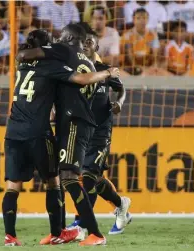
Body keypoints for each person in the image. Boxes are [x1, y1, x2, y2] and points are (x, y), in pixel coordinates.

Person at [5, 29, 119, 246]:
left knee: (66, 177)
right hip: (66, 123)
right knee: (58, 178)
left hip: (73, 121)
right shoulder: (67, 60)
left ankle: (93, 233)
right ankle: (59, 231)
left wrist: (107, 74)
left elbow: (80, 79)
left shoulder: (55, 58)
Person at [66, 23, 132, 235]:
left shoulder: (105, 70)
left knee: (87, 177)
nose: (85, 44)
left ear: (96, 45)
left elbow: (121, 89)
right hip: (79, 130)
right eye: (82, 41)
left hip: (101, 131)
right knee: (93, 179)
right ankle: (120, 204)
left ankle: (81, 223)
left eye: (89, 41)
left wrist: (119, 103)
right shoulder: (76, 69)